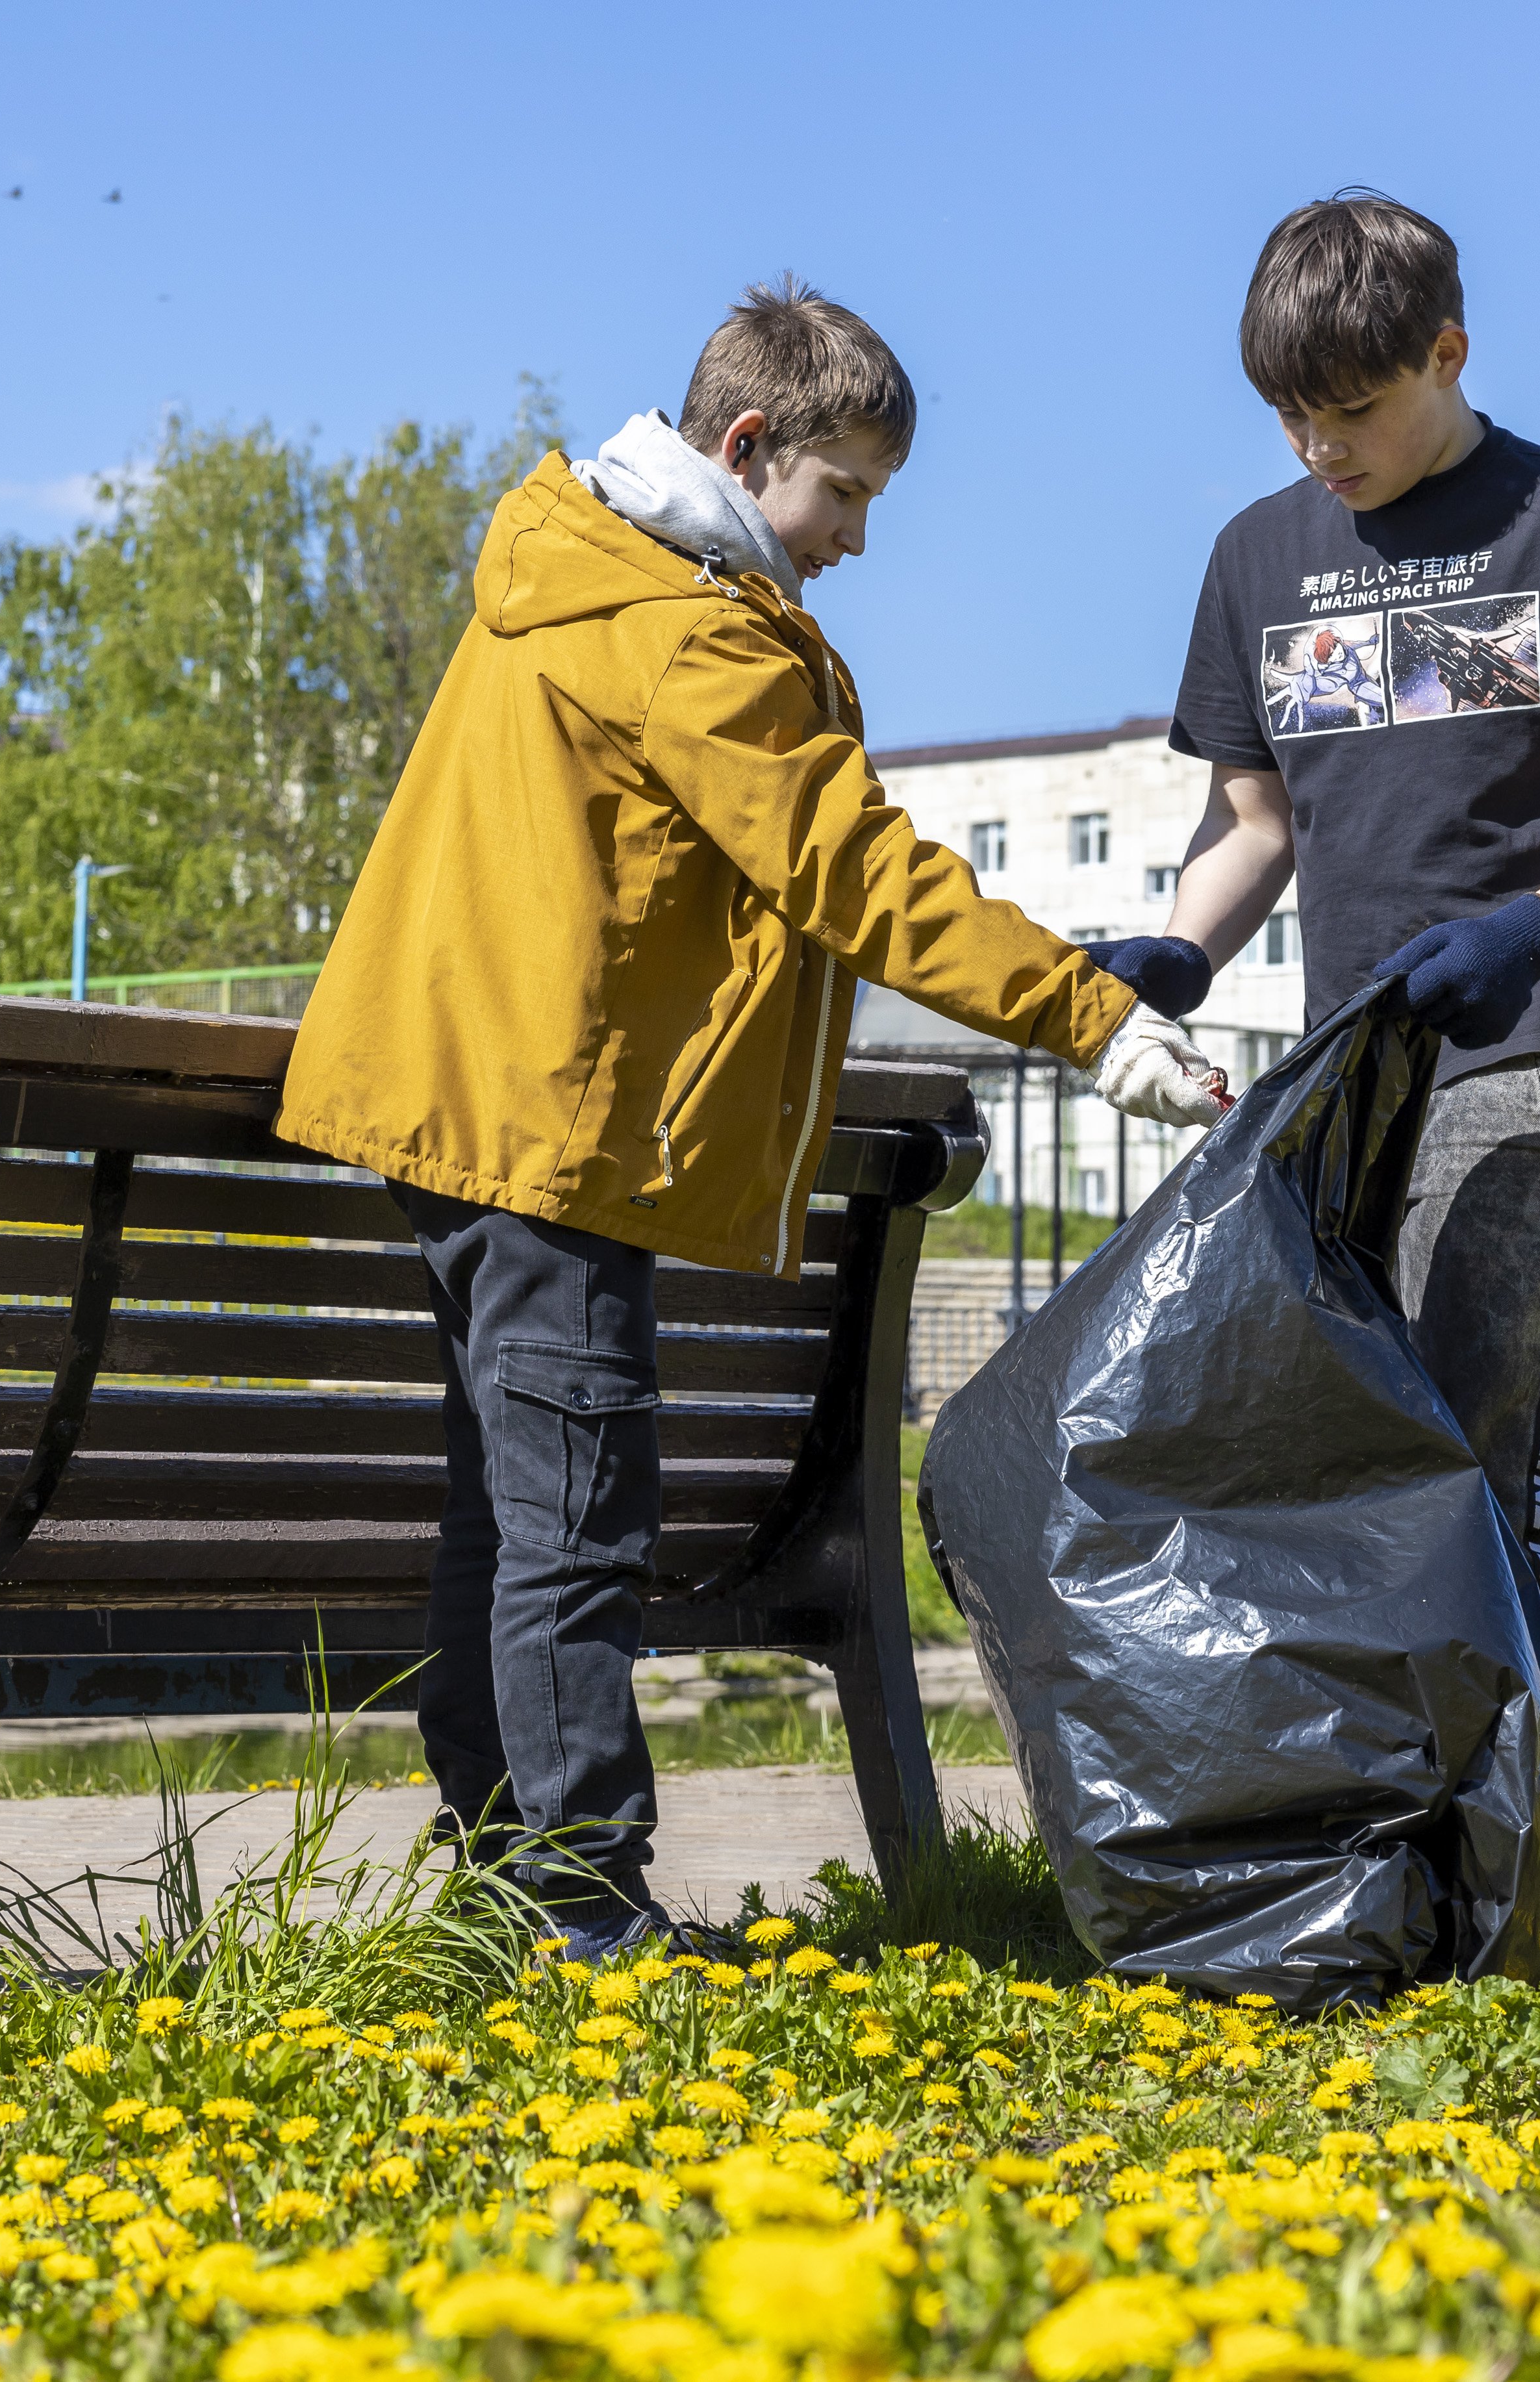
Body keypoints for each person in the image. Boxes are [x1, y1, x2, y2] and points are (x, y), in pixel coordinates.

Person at [277, 278, 1226, 1958]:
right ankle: (577, 1907)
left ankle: (507, 1885)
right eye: (841, 492)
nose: (853, 538)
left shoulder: (570, 576)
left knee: (512, 1515)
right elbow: (851, 869)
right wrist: (1088, 1017)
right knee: (574, 1522)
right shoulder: (684, 632)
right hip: (549, 1128)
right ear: (743, 445)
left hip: (467, 1108)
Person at [1134, 194, 1540, 1973]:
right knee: (1379, 1473)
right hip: (1358, 1073)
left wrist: (1539, 929)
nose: (1324, 450)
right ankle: (1434, 1880)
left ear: (1449, 355)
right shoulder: (1258, 553)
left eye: (1356, 412)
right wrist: (1179, 944)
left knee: (1489, 1459)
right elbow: (1255, 821)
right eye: (1291, 420)